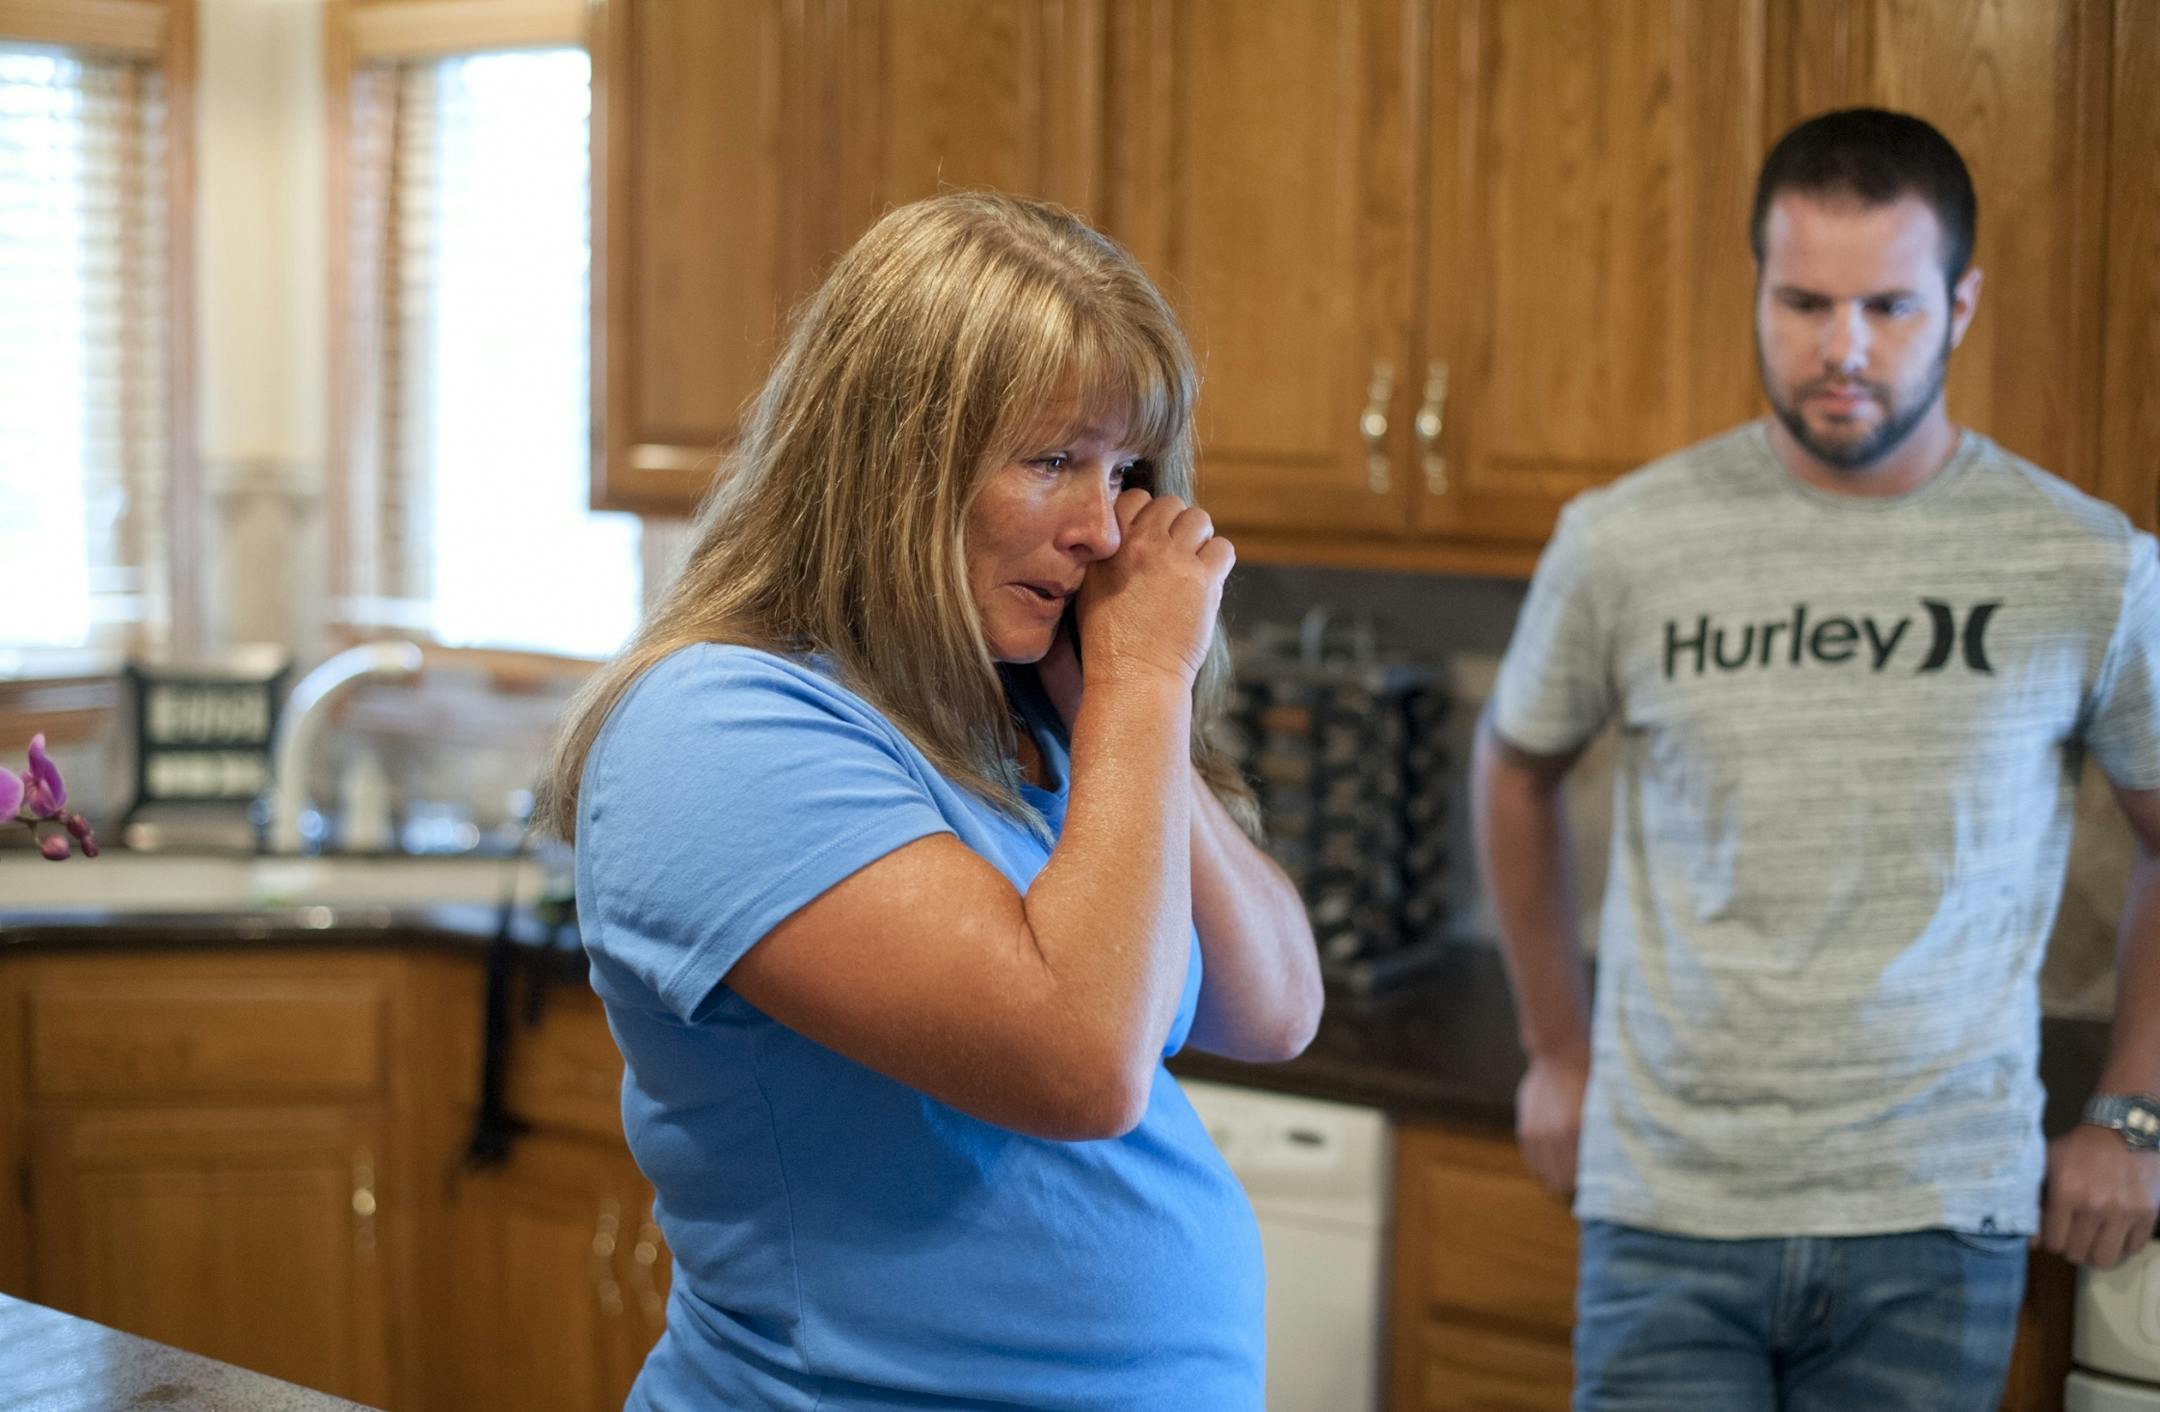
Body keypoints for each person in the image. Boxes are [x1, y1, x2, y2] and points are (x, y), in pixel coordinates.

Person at [540, 190, 1322, 1411]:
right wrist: (1141, 674)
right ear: (891, 463)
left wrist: (1121, 705)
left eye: (1124, 469)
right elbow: (1081, 1062)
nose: (1104, 529)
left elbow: (1275, 1007)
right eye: (1054, 460)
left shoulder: (1042, 713)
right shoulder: (718, 726)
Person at [1473, 107, 2160, 1410]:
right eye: (1804, 302)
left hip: (1938, 1214)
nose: (1843, 350)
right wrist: (1556, 1048)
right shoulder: (1627, 542)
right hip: (1670, 1199)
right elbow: (1513, 770)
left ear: (1961, 304)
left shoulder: (2086, 565)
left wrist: (2132, 1111)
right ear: (1758, 291)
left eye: (1890, 307)